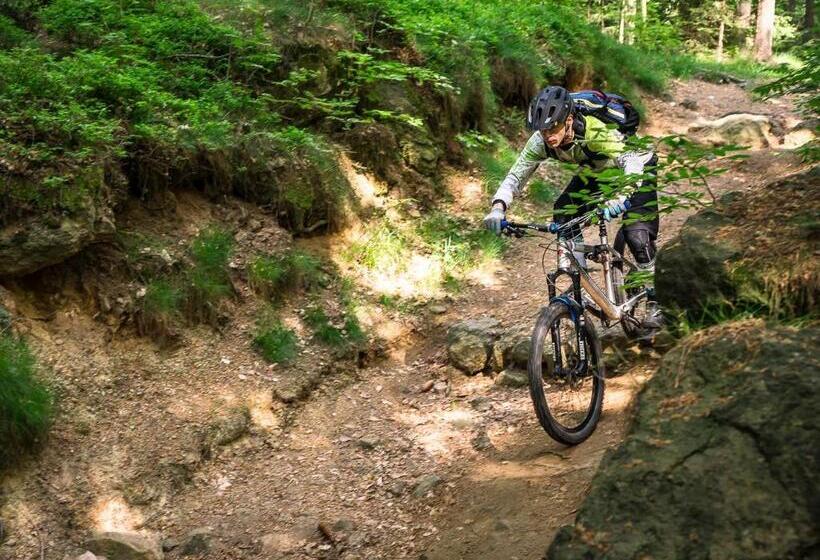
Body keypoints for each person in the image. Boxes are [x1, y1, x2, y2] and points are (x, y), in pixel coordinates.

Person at [483, 85, 663, 329]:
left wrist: (620, 198)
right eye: (543, 130)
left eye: (553, 127)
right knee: (564, 211)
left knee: (636, 235)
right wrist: (498, 207)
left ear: (568, 120)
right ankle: (577, 276)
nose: (548, 135)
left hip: (636, 167)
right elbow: (516, 176)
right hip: (598, 170)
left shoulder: (595, 131)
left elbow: (630, 163)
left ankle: (656, 300)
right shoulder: (541, 140)